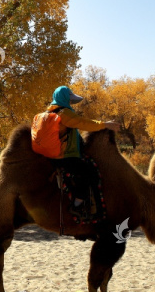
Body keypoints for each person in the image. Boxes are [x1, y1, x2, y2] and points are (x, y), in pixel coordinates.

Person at [39, 86, 120, 217]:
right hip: (65, 156)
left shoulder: (47, 114)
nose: (71, 102)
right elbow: (82, 123)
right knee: (90, 173)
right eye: (69, 99)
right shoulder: (63, 113)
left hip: (49, 155)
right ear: (64, 98)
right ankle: (77, 205)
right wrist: (104, 125)